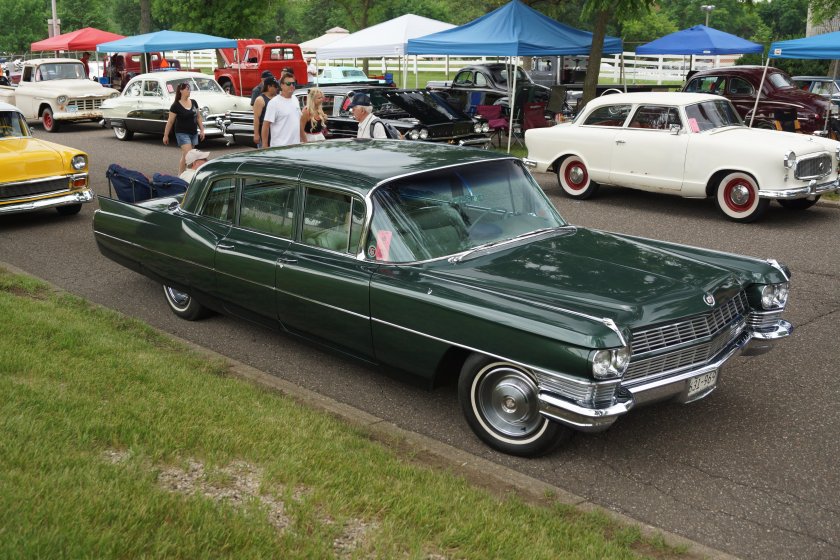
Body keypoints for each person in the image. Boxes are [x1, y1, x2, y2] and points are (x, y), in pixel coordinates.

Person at [163, 82, 206, 174]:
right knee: (190, 156)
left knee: (185, 156)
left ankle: (180, 175)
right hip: (182, 133)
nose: (189, 90)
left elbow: (198, 117)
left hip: (193, 133)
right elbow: (170, 121)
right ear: (181, 91)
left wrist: (202, 130)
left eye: (189, 89)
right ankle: (190, 177)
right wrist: (165, 135)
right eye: (187, 89)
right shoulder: (175, 106)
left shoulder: (194, 102)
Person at [261, 72, 303, 147]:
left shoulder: (295, 99)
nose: (292, 85)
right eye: (288, 83)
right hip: (280, 148)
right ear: (281, 85)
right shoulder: (274, 103)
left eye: (293, 83)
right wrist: (265, 146)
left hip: (296, 147)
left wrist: (304, 140)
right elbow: (265, 125)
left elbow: (298, 123)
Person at [253, 77, 279, 148]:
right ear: (269, 86)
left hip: (276, 132)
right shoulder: (260, 100)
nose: (277, 88)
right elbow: (256, 118)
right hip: (264, 132)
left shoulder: (277, 98)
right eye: (275, 86)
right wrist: (256, 134)